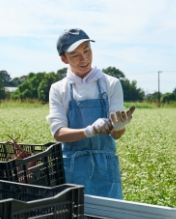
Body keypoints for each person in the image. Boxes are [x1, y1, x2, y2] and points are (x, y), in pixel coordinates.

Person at [46, 28, 135, 199]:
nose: (84, 58)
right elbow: (58, 133)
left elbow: (116, 134)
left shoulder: (111, 84)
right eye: (75, 55)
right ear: (64, 59)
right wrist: (89, 131)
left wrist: (119, 126)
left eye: (87, 50)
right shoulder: (58, 89)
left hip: (105, 169)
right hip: (72, 168)